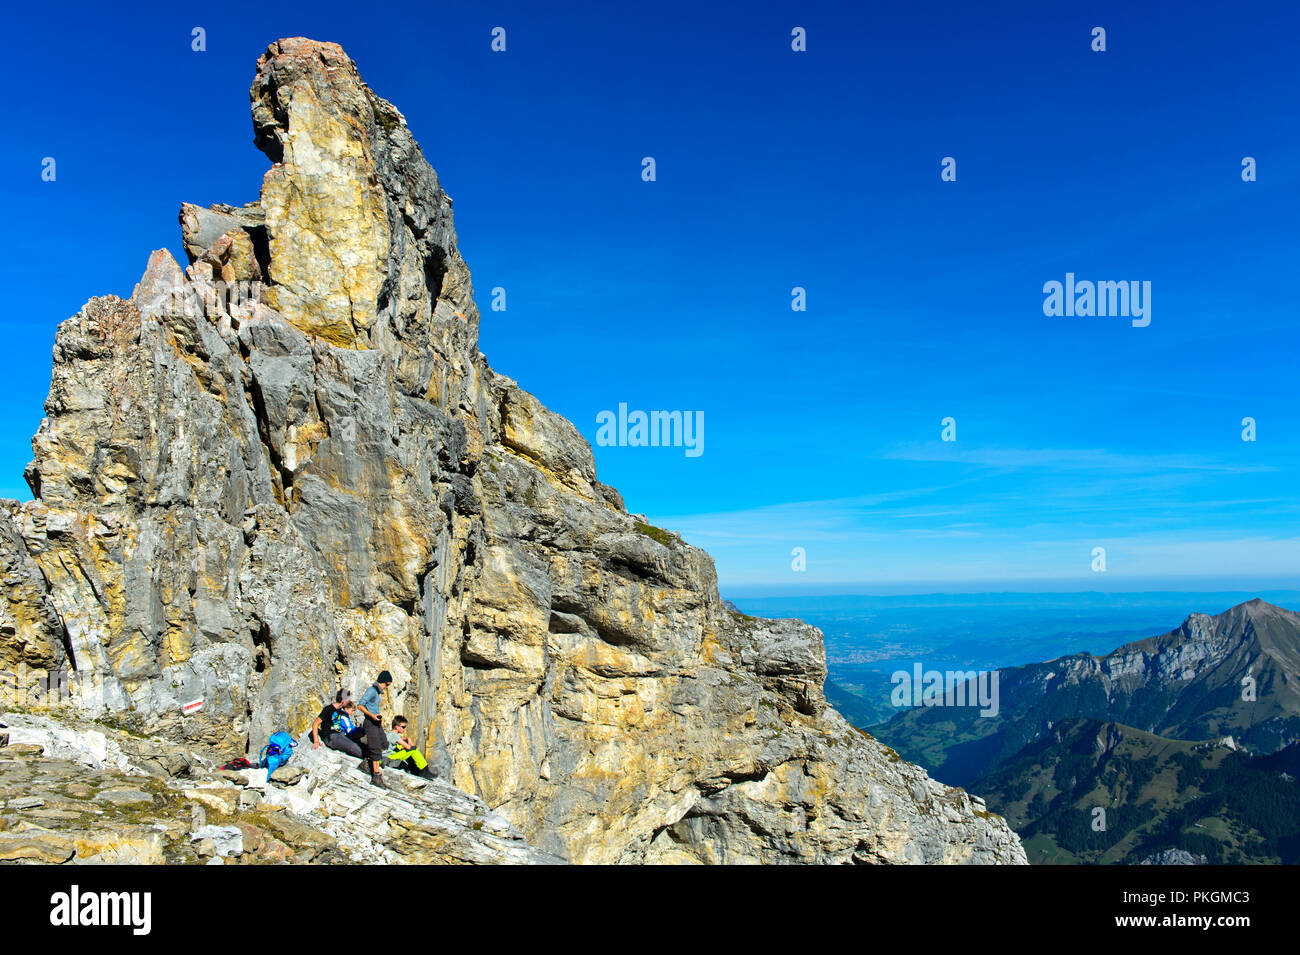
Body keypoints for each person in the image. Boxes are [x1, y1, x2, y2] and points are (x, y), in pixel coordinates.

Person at [357, 670, 392, 788]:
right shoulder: (372, 691)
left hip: (376, 721)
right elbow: (360, 705)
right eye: (386, 684)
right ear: (381, 681)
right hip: (370, 722)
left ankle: (367, 763)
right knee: (375, 746)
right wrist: (371, 715)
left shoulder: (377, 693)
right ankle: (376, 776)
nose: (387, 687)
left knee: (384, 742)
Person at [311, 689, 363, 758]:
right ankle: (367, 761)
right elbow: (315, 723)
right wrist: (316, 741)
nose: (349, 701)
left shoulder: (339, 709)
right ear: (342, 701)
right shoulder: (328, 709)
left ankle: (374, 759)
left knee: (361, 744)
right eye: (348, 700)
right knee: (353, 747)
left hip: (340, 734)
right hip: (331, 736)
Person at [385, 715, 436, 780]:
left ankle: (414, 769)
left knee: (404, 749)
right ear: (396, 727)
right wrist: (408, 739)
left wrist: (406, 740)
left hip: (386, 756)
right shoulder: (394, 736)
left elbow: (400, 743)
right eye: (403, 727)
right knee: (413, 750)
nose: (404, 729)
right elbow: (409, 747)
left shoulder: (389, 733)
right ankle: (424, 771)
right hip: (390, 757)